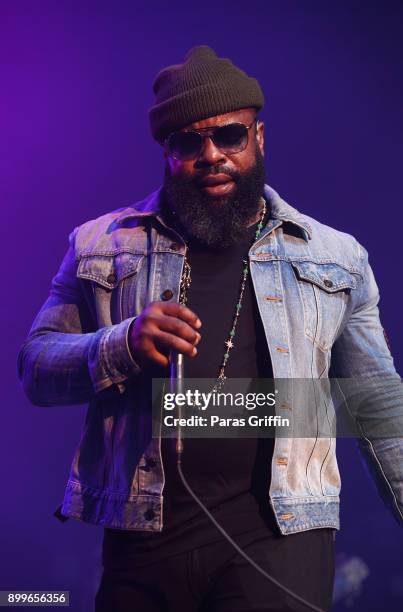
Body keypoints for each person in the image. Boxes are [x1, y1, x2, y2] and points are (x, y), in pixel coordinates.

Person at [18, 46, 402, 612]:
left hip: (281, 535)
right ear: (166, 151)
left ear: (259, 138)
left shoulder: (335, 255)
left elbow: (377, 401)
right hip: (144, 534)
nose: (211, 155)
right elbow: (35, 370)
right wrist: (119, 344)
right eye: (187, 142)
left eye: (230, 136)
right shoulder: (100, 245)